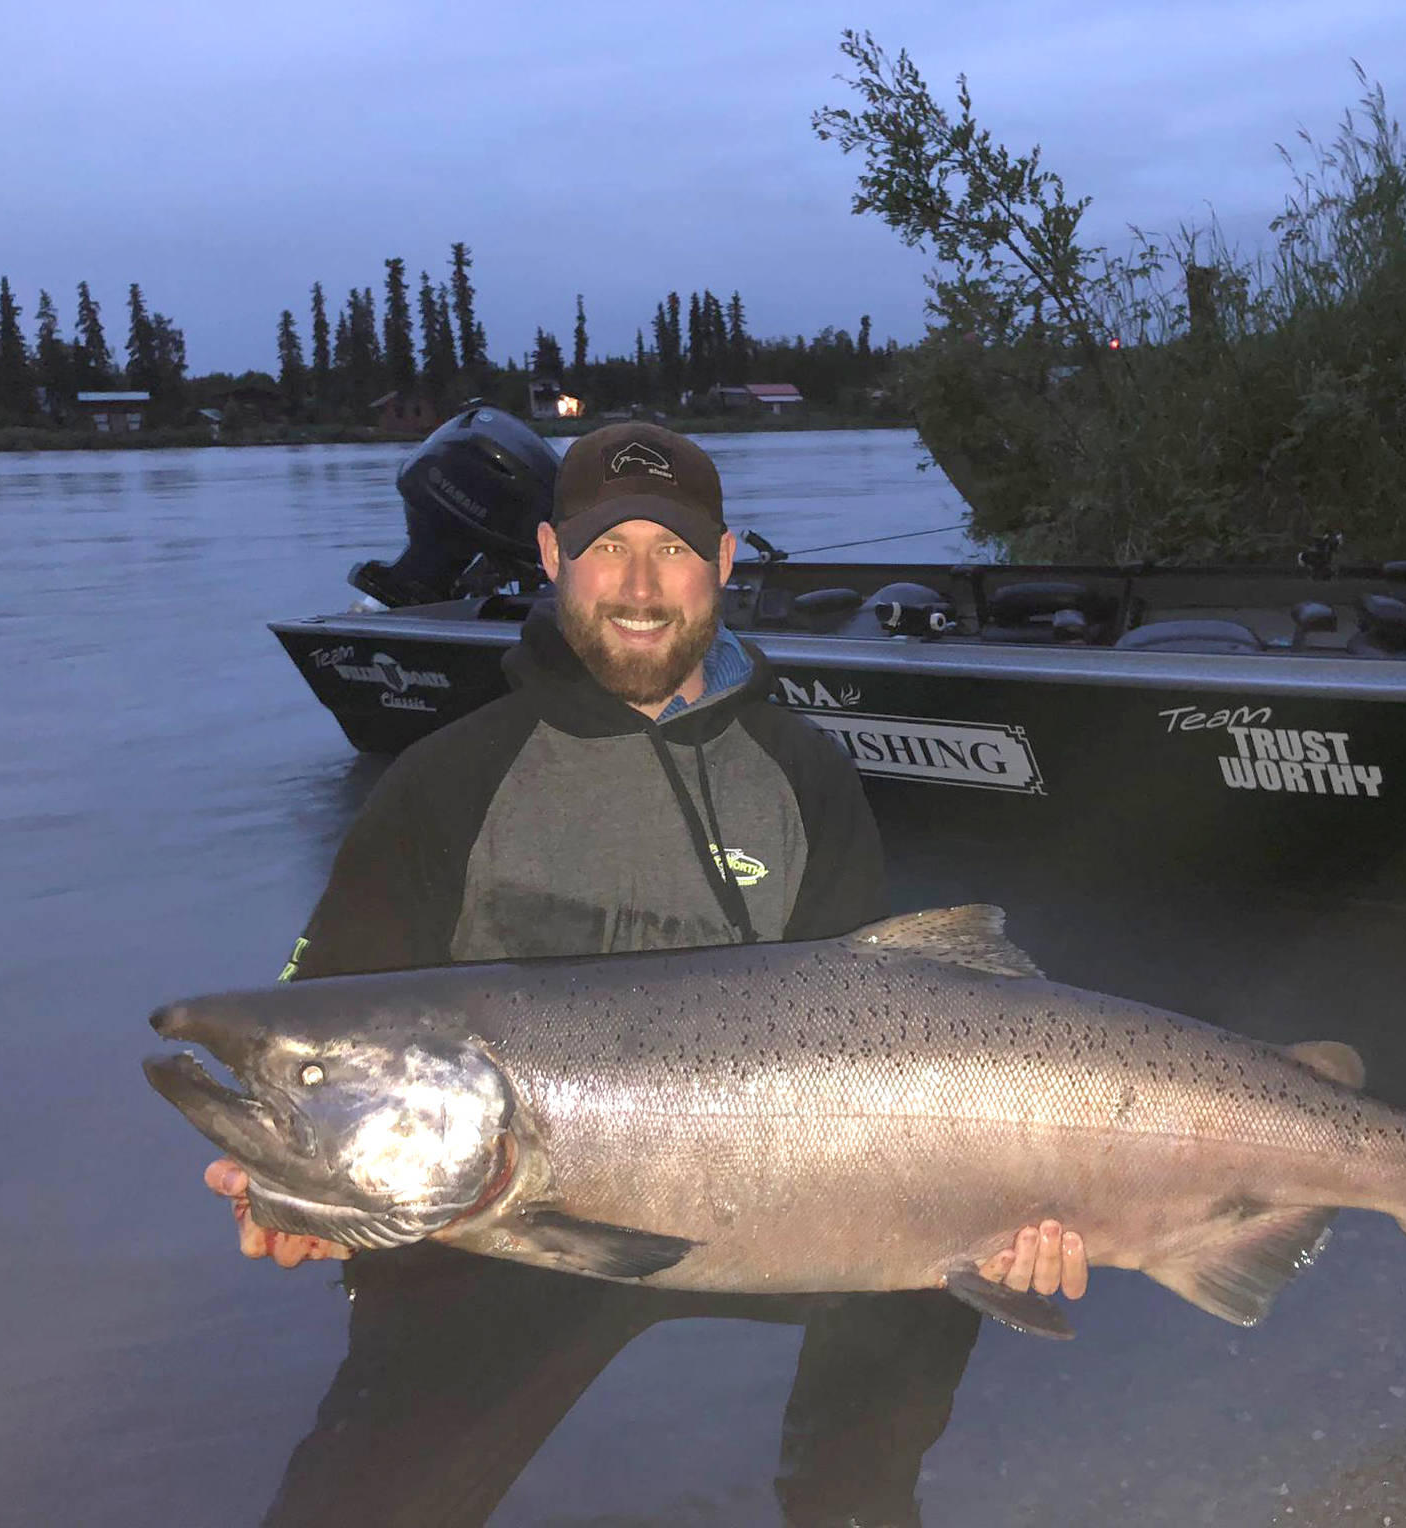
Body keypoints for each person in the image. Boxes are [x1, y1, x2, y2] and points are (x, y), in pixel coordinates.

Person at [205, 421, 1084, 1525]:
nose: (635, 584)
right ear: (548, 557)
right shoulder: (445, 784)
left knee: (934, 1273)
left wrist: (1002, 1222)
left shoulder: (800, 775)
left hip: (770, 1203)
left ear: (720, 565)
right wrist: (301, 1183)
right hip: (497, 1228)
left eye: (669, 550)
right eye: (603, 547)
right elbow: (327, 1038)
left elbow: (879, 1039)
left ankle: (848, 1506)